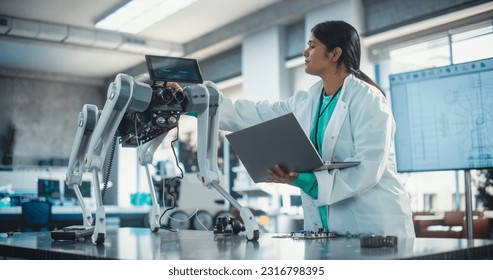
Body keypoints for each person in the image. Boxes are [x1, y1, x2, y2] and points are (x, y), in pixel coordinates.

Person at [218, 20, 415, 238]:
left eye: (312, 46)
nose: (305, 51)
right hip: (327, 229)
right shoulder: (308, 100)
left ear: (334, 54)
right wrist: (195, 103)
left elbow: (368, 169)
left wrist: (303, 180)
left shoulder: (367, 98)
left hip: (373, 226)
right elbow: (255, 114)